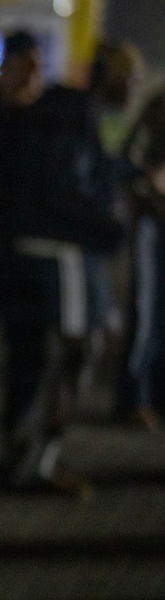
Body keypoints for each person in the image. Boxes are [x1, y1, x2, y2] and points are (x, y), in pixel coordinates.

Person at [0, 30, 123, 489]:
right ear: (6, 68)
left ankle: (15, 449)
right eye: (22, 64)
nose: (31, 75)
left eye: (37, 64)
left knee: (27, 357)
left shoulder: (54, 117)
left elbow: (75, 184)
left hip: (20, 263)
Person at [117, 91, 165, 431]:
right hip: (153, 218)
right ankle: (134, 398)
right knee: (146, 309)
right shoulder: (159, 106)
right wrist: (150, 174)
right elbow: (128, 156)